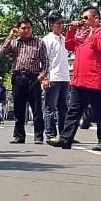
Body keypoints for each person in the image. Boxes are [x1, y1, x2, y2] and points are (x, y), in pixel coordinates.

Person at [49, 7, 101, 150]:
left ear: (96, 18)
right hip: (79, 79)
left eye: (86, 18)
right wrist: (72, 30)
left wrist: (92, 36)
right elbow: (69, 46)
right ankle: (66, 139)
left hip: (95, 79)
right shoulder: (81, 33)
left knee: (100, 112)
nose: (83, 20)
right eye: (82, 18)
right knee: (73, 110)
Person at [0, 18, 50, 143]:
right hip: (18, 78)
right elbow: (1, 52)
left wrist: (42, 76)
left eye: (28, 27)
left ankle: (38, 136)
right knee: (19, 108)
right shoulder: (14, 42)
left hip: (33, 78)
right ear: (18, 29)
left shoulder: (39, 43)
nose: (26, 30)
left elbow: (45, 61)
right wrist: (10, 36)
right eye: (23, 28)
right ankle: (19, 136)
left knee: (37, 108)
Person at [41, 14, 71, 142]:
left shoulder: (64, 39)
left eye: (62, 23)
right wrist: (45, 78)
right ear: (51, 25)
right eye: (58, 23)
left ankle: (64, 135)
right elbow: (43, 60)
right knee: (50, 108)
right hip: (53, 77)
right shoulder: (47, 40)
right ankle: (50, 134)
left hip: (64, 78)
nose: (61, 26)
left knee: (63, 109)